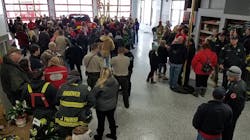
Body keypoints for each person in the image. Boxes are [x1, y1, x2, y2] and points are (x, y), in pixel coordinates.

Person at [55, 70, 94, 138]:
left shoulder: (62, 87)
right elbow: (92, 102)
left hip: (63, 122)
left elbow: (57, 102)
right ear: (79, 79)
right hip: (79, 122)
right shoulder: (85, 89)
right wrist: (85, 108)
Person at [91, 68, 119, 140]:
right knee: (112, 120)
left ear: (102, 74)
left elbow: (93, 95)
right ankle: (113, 134)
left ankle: (99, 136)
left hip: (101, 107)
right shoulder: (115, 81)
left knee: (101, 122)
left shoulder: (99, 85)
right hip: (112, 105)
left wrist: (93, 105)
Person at [222, 66, 247, 140]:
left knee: (228, 130)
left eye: (230, 76)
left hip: (231, 113)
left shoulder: (237, 90)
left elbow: (235, 106)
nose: (228, 78)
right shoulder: (236, 82)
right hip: (230, 110)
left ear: (235, 77)